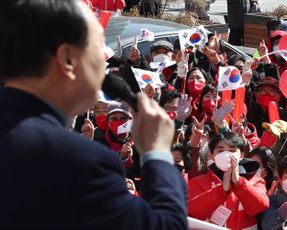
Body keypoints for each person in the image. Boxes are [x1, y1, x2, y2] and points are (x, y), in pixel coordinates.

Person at [0, 1, 188, 229]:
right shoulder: (82, 164)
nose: (104, 59)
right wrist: (157, 153)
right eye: (98, 46)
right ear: (68, 59)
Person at [188, 132, 269, 229]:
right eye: (220, 151)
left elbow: (259, 207)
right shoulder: (198, 182)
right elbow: (192, 211)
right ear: (212, 155)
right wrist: (221, 191)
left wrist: (239, 183)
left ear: (242, 155)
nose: (226, 155)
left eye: (232, 150)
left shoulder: (255, 180)